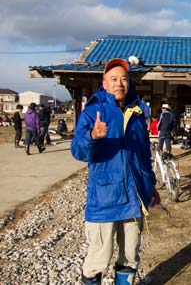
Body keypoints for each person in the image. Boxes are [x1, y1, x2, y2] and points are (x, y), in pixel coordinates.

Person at [71, 58, 159, 285]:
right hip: (104, 199)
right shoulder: (93, 112)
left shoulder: (138, 113)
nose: (119, 83)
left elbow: (144, 155)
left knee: (130, 257)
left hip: (134, 197)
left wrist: (151, 185)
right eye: (113, 79)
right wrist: (93, 137)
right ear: (104, 82)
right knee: (97, 260)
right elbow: (78, 151)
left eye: (123, 78)